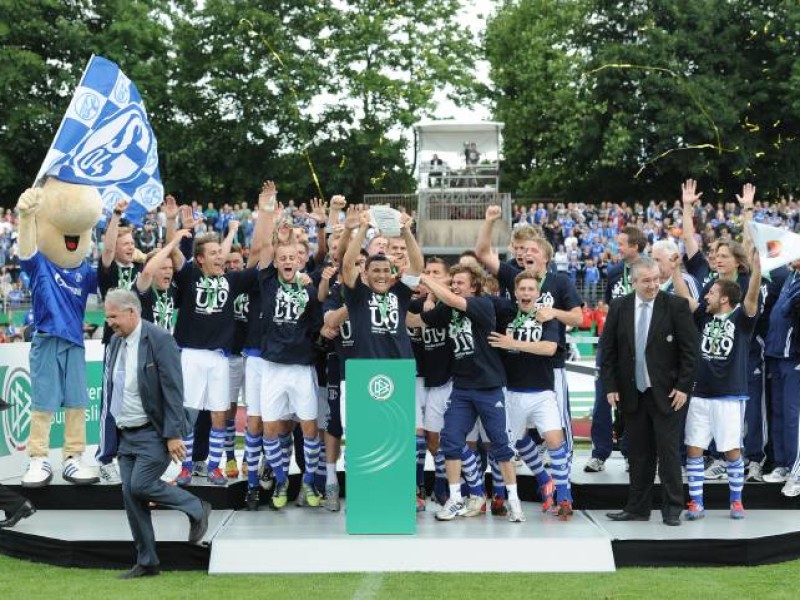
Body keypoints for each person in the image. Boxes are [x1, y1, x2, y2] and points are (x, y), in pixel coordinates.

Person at [103, 289, 211, 579]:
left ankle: (196, 506)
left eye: (113, 316)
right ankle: (147, 561)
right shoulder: (114, 342)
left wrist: (173, 434)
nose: (109, 322)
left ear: (132, 313)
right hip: (126, 433)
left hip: (154, 432)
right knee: (130, 495)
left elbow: (174, 390)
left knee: (139, 485)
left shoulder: (160, 339)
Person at [601, 257, 697, 526]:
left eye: (656, 278)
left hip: (668, 394)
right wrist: (610, 387)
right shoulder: (619, 307)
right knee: (639, 455)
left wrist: (683, 387)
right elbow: (607, 352)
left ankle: (672, 509)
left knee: (668, 455)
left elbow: (691, 352)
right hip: (632, 395)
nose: (654, 284)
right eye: (647, 280)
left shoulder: (676, 306)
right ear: (633, 281)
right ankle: (637, 508)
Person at [672, 248, 761, 520]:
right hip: (700, 394)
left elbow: (751, 298)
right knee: (694, 449)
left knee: (732, 450)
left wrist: (756, 271)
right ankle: (696, 503)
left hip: (730, 397)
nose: (705, 296)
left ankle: (736, 501)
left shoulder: (741, 319)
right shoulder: (704, 316)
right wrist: (675, 270)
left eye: (710, 292)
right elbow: (686, 300)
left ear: (723, 298)